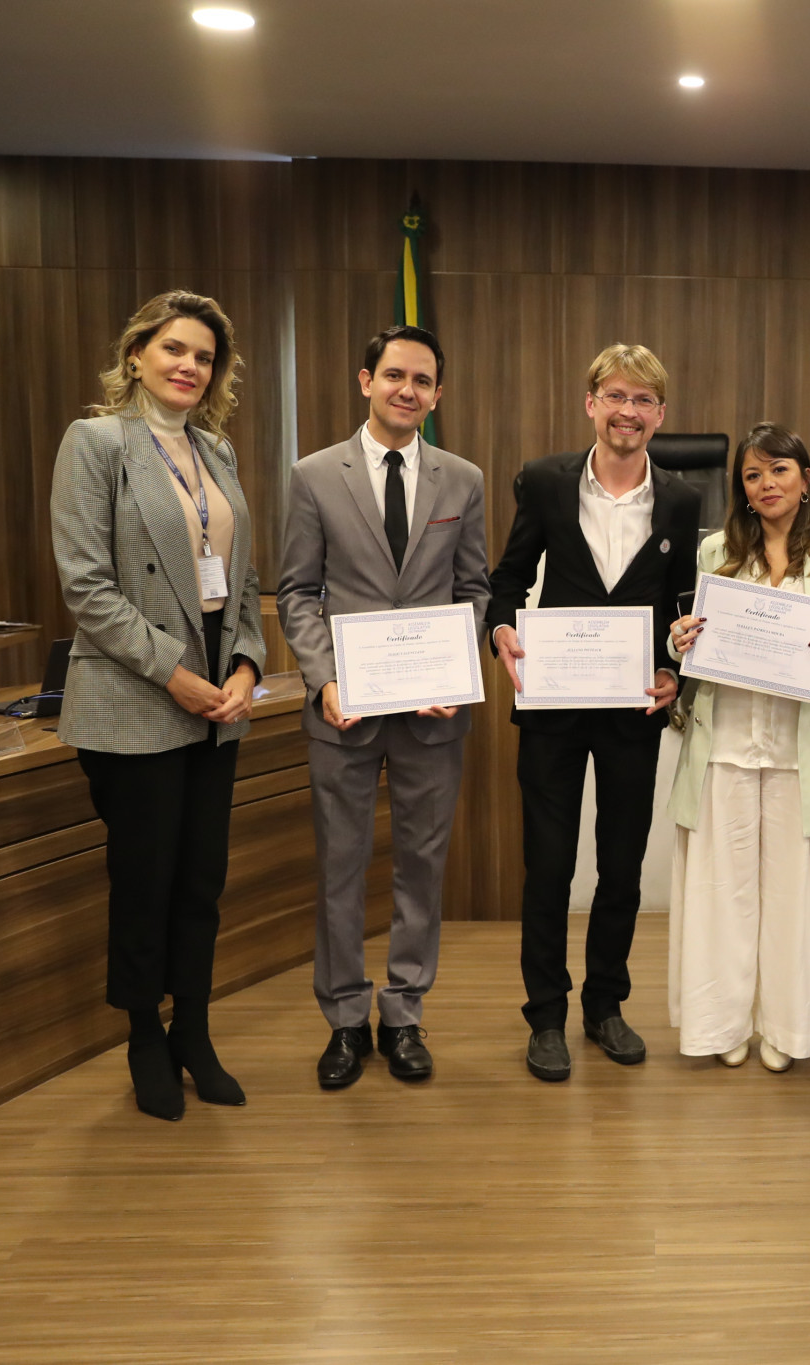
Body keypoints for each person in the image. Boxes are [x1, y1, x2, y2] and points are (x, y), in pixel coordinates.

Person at [50, 290, 267, 1122]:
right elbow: (87, 588)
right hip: (138, 698)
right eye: (174, 349)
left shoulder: (217, 451)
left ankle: (195, 1031)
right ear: (136, 352)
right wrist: (175, 672)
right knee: (144, 879)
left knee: (201, 881)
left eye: (204, 357)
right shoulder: (96, 442)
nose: (188, 366)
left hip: (218, 702)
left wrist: (246, 662)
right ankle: (145, 1032)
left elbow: (241, 577)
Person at [277, 325, 489, 1090]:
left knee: (421, 865)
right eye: (394, 375)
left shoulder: (461, 478)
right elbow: (298, 592)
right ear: (364, 380)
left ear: (437, 393)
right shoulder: (312, 476)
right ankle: (342, 1019)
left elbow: (473, 590)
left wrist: (457, 665)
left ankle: (402, 1013)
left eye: (423, 380)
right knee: (340, 864)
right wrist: (323, 677)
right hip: (343, 710)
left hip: (432, 713)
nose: (408, 389)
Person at [486, 344, 702, 1082]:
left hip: (630, 709)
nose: (628, 412)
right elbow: (510, 575)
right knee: (547, 867)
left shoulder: (679, 499)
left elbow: (684, 604)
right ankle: (544, 1013)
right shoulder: (545, 481)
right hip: (551, 705)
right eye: (615, 396)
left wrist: (675, 671)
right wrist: (502, 625)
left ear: (660, 415)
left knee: (621, 866)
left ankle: (605, 1005)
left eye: (643, 401)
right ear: (590, 403)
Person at [665, 424, 810, 1071]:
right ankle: (721, 1022)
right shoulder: (714, 552)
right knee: (721, 892)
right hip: (724, 743)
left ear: (805, 479)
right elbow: (690, 652)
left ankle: (787, 1026)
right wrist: (679, 639)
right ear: (742, 490)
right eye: (752, 476)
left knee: (794, 897)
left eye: (779, 470)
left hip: (799, 753)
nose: (766, 484)